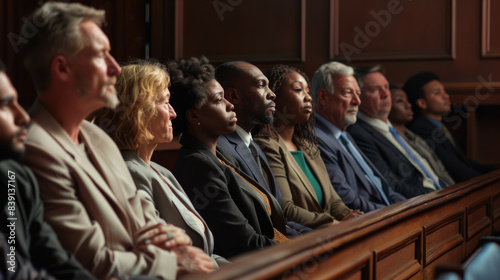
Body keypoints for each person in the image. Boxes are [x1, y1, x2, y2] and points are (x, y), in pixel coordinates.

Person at [20, 2, 214, 279]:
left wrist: (171, 242)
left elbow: (152, 227)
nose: (115, 68)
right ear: (62, 69)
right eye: (101, 56)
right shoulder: (35, 150)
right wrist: (171, 263)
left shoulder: (98, 138)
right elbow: (94, 261)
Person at [92, 59, 228, 267]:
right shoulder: (129, 172)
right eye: (165, 102)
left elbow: (207, 253)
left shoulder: (160, 171)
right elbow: (162, 256)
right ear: (139, 111)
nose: (174, 113)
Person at [169, 56, 289, 259]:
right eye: (218, 100)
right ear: (194, 116)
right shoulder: (198, 165)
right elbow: (243, 244)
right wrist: (304, 249)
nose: (230, 105)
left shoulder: (218, 157)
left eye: (226, 97)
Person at [0, 59, 96, 279]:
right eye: (5, 105)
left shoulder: (16, 175)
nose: (23, 117)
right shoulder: (34, 153)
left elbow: (53, 256)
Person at [253, 64, 363, 229]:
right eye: (298, 90)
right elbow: (286, 209)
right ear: (274, 97)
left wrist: (350, 216)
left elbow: (334, 201)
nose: (308, 97)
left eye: (307, 91)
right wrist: (334, 223)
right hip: (306, 239)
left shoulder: (307, 144)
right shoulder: (267, 145)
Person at [215, 61, 311, 234]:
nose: (272, 94)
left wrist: (314, 237)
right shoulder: (221, 150)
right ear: (233, 96)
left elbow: (280, 219)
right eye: (261, 85)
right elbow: (250, 231)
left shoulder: (253, 144)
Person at [311, 61, 406, 213]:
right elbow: (346, 199)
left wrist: (409, 206)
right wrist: (391, 211)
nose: (357, 101)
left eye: (358, 93)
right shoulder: (316, 138)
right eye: (348, 93)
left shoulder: (345, 135)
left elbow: (383, 187)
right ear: (323, 96)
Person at [347, 65, 439, 199]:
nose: (385, 94)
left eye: (386, 87)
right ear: (358, 96)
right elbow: (390, 184)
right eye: (374, 90)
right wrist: (432, 197)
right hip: (422, 202)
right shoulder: (359, 134)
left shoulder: (396, 128)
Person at [402, 71, 496, 183]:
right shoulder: (422, 129)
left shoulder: (436, 125)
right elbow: (456, 170)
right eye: (437, 93)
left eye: (444, 91)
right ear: (422, 103)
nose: (446, 96)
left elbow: (464, 162)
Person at [388, 85, 455, 187]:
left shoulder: (414, 137)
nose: (408, 105)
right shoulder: (419, 129)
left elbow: (441, 170)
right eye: (400, 101)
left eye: (407, 101)